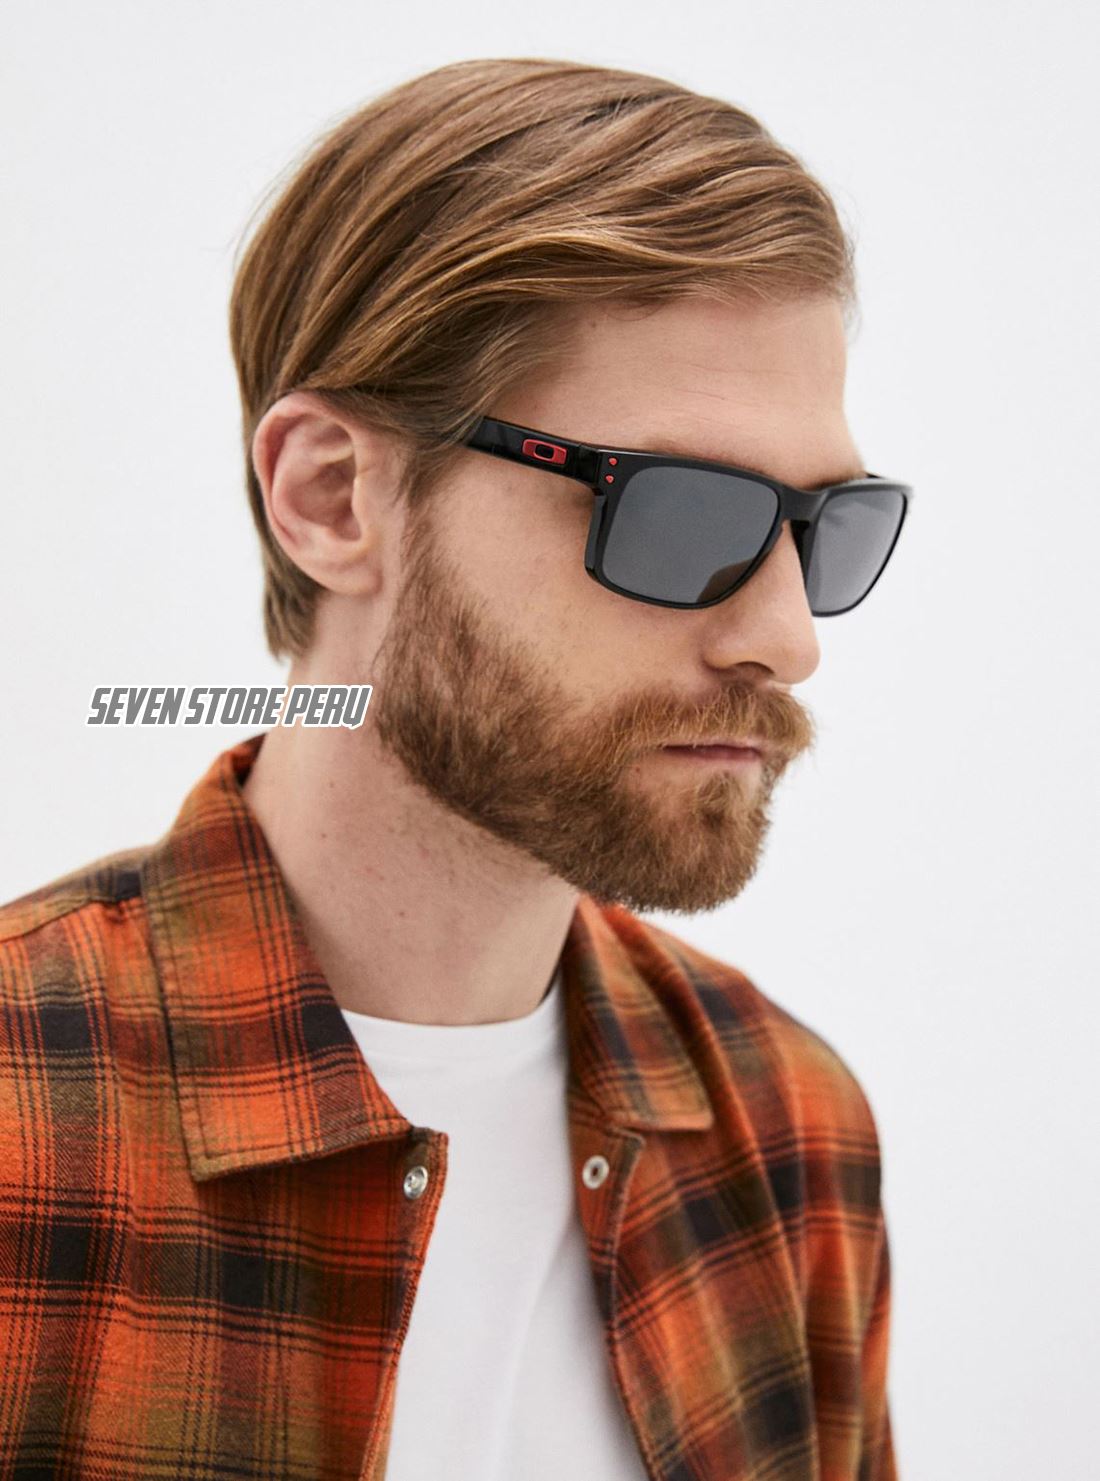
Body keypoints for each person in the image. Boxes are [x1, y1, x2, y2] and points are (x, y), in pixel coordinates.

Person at [0, 57, 909, 1480]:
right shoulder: (24, 1122)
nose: (787, 639)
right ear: (331, 496)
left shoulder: (786, 1129)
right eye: (682, 514)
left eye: (823, 529)